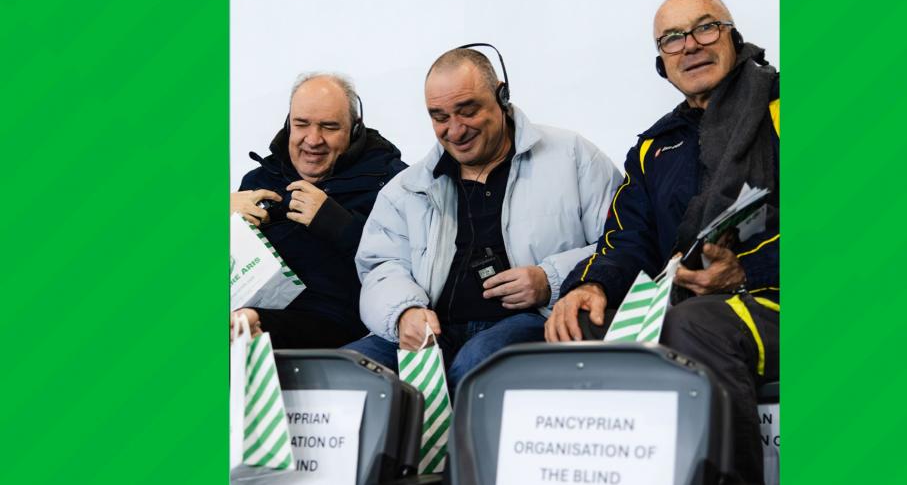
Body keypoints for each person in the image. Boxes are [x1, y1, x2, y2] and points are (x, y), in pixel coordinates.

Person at [547, 0, 780, 483]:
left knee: (696, 323)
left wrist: (745, 270)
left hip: (778, 297)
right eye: (672, 38)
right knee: (578, 327)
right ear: (662, 63)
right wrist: (591, 286)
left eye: (705, 27)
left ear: (734, 38)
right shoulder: (652, 148)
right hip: (687, 301)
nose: (690, 45)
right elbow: (626, 240)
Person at [345, 46, 621, 391]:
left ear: (502, 95)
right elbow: (380, 266)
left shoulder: (573, 157)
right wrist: (403, 312)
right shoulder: (407, 188)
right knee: (345, 372)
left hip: (533, 321)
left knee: (478, 367)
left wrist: (549, 279)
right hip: (433, 332)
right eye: (440, 117)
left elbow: (620, 245)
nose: (455, 130)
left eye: (467, 111)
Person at [230, 73, 407, 348]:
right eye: (301, 124)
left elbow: (412, 264)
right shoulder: (259, 179)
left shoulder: (394, 182)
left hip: (336, 324)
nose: (313, 140)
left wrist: (337, 223)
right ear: (288, 124)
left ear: (355, 129)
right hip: (245, 309)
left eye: (329, 127)